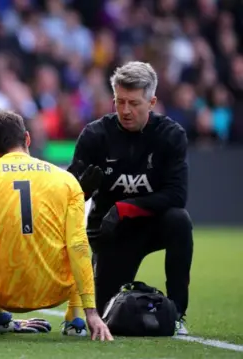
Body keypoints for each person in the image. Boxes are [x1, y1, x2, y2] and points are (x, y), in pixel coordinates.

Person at [0, 110, 113, 341]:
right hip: (58, 290)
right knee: (75, 232)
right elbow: (78, 245)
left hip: (2, 292)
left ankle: (0, 315)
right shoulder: (66, 181)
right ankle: (74, 318)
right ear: (27, 139)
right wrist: (92, 312)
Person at [67, 61, 193, 335]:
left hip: (153, 225)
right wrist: (82, 189)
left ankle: (177, 315)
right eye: (119, 101)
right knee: (106, 318)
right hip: (111, 233)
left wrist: (126, 208)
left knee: (180, 221)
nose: (125, 110)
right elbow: (68, 194)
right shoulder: (95, 135)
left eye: (134, 103)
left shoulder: (171, 135)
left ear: (152, 102)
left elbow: (177, 195)